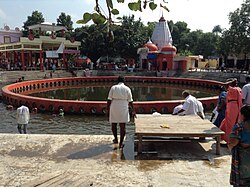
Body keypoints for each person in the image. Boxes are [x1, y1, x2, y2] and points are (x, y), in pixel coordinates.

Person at [107, 75, 136, 149]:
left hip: (114, 106)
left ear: (117, 81)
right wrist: (133, 111)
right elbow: (131, 101)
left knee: (114, 124)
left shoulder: (113, 87)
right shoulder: (127, 88)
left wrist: (108, 109)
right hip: (123, 106)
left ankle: (116, 139)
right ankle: (121, 143)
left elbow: (109, 100)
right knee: (122, 126)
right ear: (124, 81)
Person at [228, 104, 250, 187]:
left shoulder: (239, 127)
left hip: (242, 160)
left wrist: (230, 148)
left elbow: (233, 142)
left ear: (243, 115)